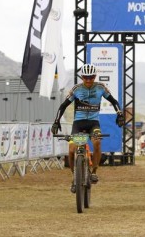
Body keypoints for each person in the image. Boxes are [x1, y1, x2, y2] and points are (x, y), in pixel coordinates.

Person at [51, 64, 124, 193]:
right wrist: (56, 121)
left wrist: (119, 114)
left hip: (93, 123)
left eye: (91, 77)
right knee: (72, 150)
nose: (89, 80)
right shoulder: (76, 89)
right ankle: (75, 177)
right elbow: (63, 106)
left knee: (97, 142)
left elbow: (114, 101)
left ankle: (94, 171)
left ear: (94, 77)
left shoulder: (101, 87)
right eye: (86, 77)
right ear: (82, 77)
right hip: (78, 123)